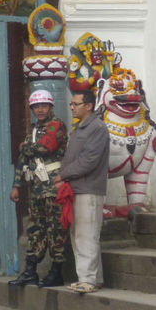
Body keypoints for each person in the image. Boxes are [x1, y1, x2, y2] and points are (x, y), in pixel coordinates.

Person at [53, 89, 111, 294]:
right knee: (80, 234)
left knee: (86, 235)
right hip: (77, 188)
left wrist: (63, 175)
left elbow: (88, 161)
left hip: (88, 189)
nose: (72, 107)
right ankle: (94, 278)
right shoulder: (80, 129)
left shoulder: (97, 128)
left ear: (89, 106)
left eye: (76, 104)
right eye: (71, 104)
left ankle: (87, 279)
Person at [9, 90, 68, 287]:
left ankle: (56, 272)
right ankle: (30, 271)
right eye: (36, 106)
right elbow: (22, 161)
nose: (40, 109)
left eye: (43, 105)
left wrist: (24, 147)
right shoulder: (32, 132)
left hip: (53, 187)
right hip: (36, 188)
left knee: (55, 229)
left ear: (51, 107)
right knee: (35, 229)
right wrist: (16, 185)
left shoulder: (56, 125)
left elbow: (45, 148)